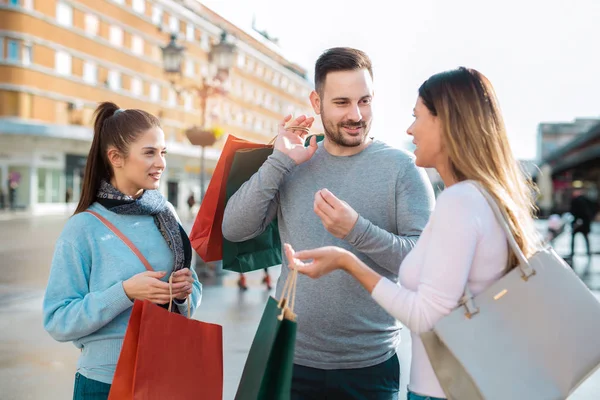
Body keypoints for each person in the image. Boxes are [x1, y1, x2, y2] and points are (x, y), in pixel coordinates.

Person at [285, 67, 541, 400]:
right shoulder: (483, 197)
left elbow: (424, 315)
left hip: (443, 390)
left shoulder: (460, 202)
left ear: (446, 123)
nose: (410, 129)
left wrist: (348, 262)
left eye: (417, 116)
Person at [223, 47, 435, 398]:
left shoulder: (404, 169)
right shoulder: (293, 161)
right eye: (342, 103)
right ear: (316, 101)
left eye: (364, 101)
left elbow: (422, 264)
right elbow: (235, 229)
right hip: (289, 358)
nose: (356, 115)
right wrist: (279, 161)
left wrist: (355, 230)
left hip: (370, 368)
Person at [43, 102, 202, 400]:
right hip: (105, 383)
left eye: (163, 152)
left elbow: (192, 290)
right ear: (115, 157)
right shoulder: (82, 228)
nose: (161, 162)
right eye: (149, 152)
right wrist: (125, 292)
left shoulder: (166, 215)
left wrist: (183, 292)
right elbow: (58, 320)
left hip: (165, 375)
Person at [570, 188, 595, 257]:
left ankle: (572, 252)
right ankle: (588, 251)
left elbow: (572, 211)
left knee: (575, 237)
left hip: (578, 222)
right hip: (584, 222)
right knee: (585, 237)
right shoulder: (587, 200)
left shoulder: (576, 200)